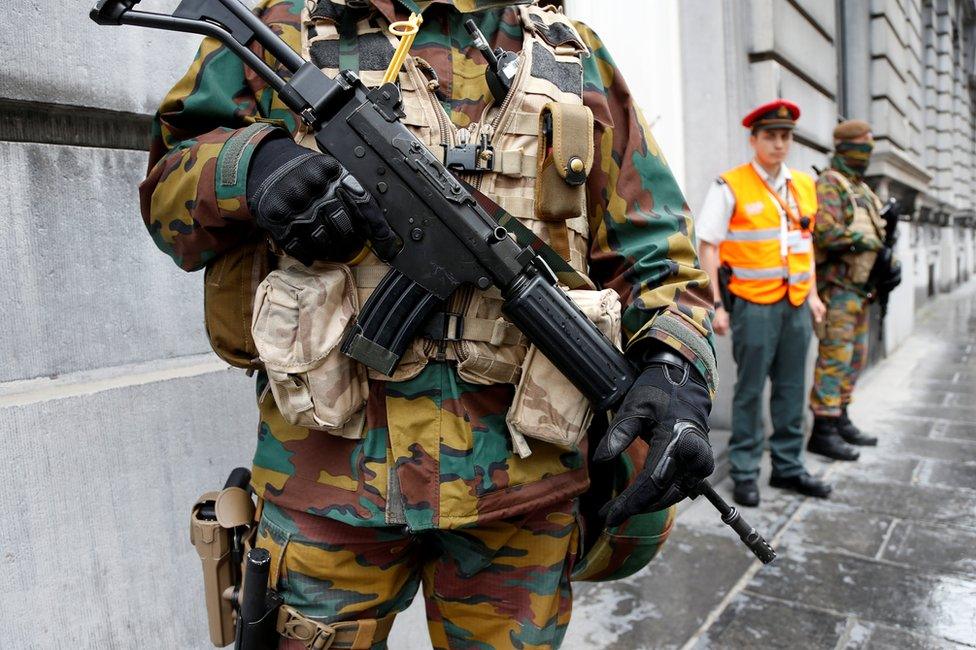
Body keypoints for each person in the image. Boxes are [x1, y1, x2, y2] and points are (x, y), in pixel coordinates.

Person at [140, 1, 717, 647]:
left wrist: (676, 369)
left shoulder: (569, 50)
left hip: (523, 494)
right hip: (329, 486)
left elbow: (659, 253)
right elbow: (168, 190)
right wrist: (256, 166)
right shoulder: (288, 20)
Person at [697, 99, 841, 509]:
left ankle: (789, 466)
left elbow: (805, 244)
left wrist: (812, 295)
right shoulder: (730, 185)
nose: (780, 144)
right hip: (753, 305)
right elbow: (708, 246)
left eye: (786, 136)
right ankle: (744, 471)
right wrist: (718, 304)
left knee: (792, 389)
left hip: (795, 303)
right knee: (750, 390)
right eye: (771, 136)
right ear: (754, 139)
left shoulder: (803, 185)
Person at [809, 120, 887, 447]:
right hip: (837, 289)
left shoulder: (863, 190)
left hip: (861, 291)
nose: (866, 152)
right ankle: (823, 431)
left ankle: (840, 418)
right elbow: (824, 232)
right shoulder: (831, 183)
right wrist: (864, 242)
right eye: (862, 145)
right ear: (844, 147)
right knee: (835, 359)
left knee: (854, 359)